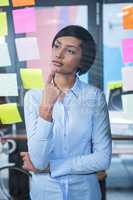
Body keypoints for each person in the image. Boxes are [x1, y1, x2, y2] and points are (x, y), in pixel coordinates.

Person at [21, 25, 112, 200]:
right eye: (57, 46)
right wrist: (46, 109)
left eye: (69, 51)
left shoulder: (94, 97)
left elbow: (103, 159)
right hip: (45, 193)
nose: (59, 54)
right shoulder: (33, 97)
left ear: (82, 61)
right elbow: (39, 161)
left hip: (85, 193)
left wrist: (53, 167)